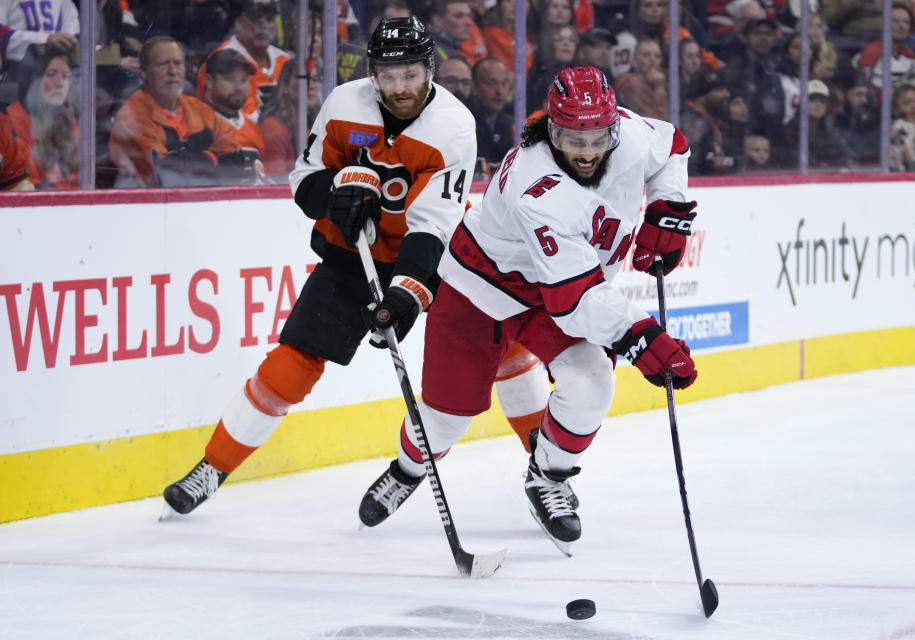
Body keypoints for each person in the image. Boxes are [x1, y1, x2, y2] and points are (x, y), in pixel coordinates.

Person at [162, 15, 551, 516]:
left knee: (507, 346)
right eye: (388, 76)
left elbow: (432, 224)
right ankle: (212, 468)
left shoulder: (453, 126)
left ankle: (544, 473)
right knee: (293, 361)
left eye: (410, 74)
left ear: (428, 69)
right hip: (352, 253)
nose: (399, 87)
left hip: (437, 254)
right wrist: (336, 192)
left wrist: (406, 293)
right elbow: (304, 181)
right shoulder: (344, 104)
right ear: (373, 73)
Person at [357, 66, 698, 552]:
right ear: (551, 128)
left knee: (592, 381)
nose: (585, 151)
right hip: (483, 288)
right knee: (444, 420)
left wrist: (670, 208)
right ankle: (408, 469)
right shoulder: (535, 185)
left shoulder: (633, 140)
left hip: (558, 288)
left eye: (597, 137)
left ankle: (548, 476)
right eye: (571, 138)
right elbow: (574, 300)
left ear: (614, 127)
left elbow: (674, 145)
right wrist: (641, 336)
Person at [109, 36, 240, 188]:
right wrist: (210, 156)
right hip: (148, 203)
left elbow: (233, 152)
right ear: (144, 72)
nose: (173, 71)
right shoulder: (132, 114)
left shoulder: (198, 108)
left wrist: (190, 157)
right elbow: (165, 170)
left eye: (178, 63)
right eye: (163, 64)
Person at [195, 0, 292, 124]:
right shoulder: (219, 61)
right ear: (238, 22)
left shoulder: (285, 60)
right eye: (255, 18)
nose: (263, 26)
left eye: (269, 19)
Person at [7, 45, 78, 189]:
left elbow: (80, 180)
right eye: (51, 74)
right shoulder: (12, 121)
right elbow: (29, 187)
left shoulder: (69, 120)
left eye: (66, 76)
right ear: (32, 79)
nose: (60, 84)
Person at [201, 48, 267, 185]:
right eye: (230, 79)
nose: (239, 87)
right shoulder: (194, 122)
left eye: (243, 80)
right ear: (209, 81)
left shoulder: (252, 126)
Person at [259, 58, 321, 182]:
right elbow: (275, 182)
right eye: (306, 79)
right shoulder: (273, 127)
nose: (312, 86)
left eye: (315, 79)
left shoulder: (318, 121)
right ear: (286, 87)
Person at [467, 57, 515, 165]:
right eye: (492, 83)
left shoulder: (511, 123)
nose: (500, 91)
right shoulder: (465, 123)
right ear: (474, 87)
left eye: (504, 83)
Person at [0, 0, 78, 64]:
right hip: (13, 72)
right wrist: (45, 39)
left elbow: (75, 41)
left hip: (54, 71)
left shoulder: (66, 4)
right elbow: (2, 35)